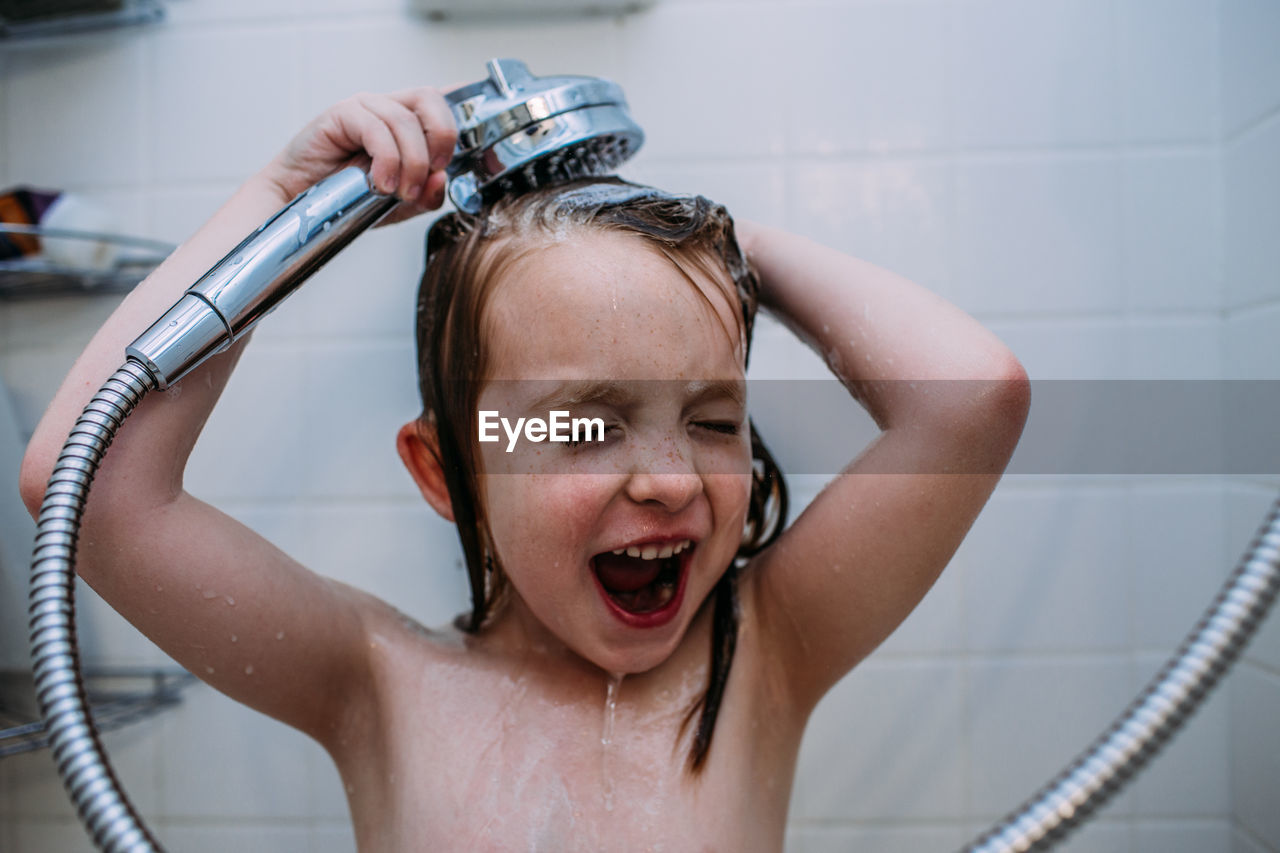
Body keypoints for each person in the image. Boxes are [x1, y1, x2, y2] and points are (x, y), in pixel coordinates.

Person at [19, 87, 1029, 851]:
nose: (670, 479)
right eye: (589, 428)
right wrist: (287, 209)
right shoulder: (374, 681)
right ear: (449, 470)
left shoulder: (765, 651)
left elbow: (969, 396)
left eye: (713, 420)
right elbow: (85, 483)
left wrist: (714, 238)